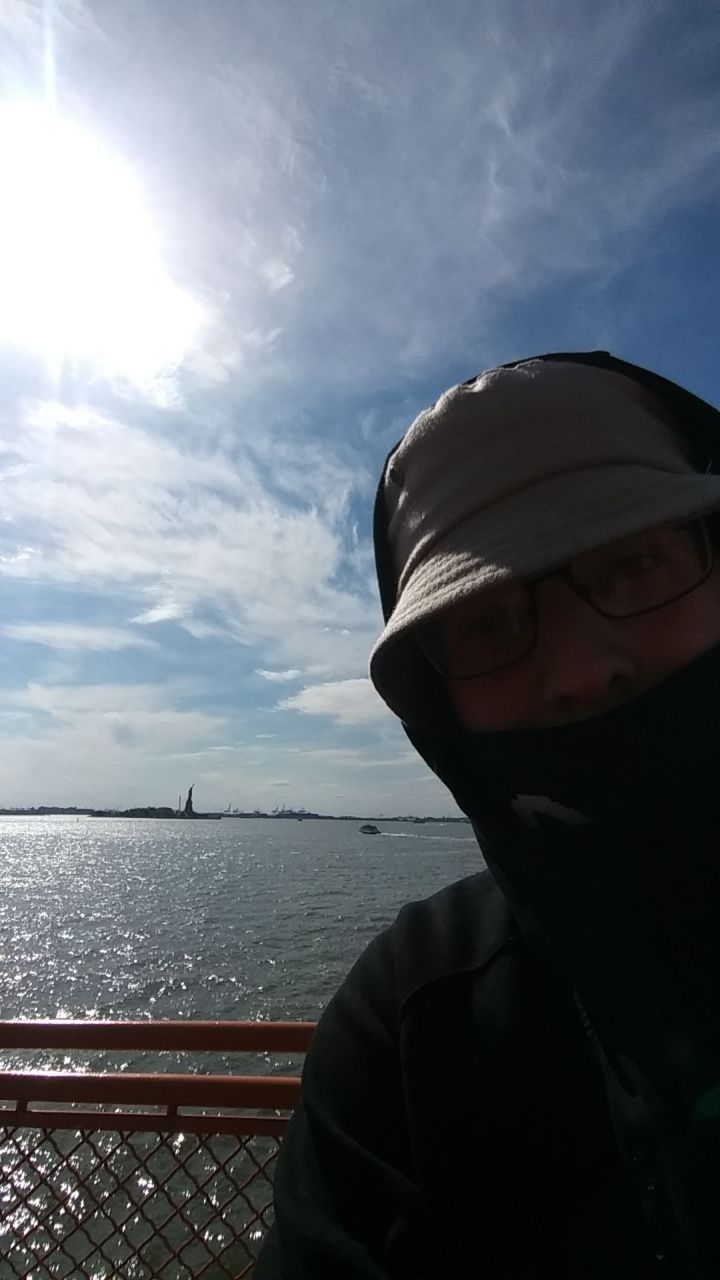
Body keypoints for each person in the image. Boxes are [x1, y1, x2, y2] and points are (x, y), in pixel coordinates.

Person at [255, 351, 720, 1278]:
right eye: (488, 623)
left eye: (635, 562)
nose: (580, 670)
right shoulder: (411, 1023)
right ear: (439, 715)